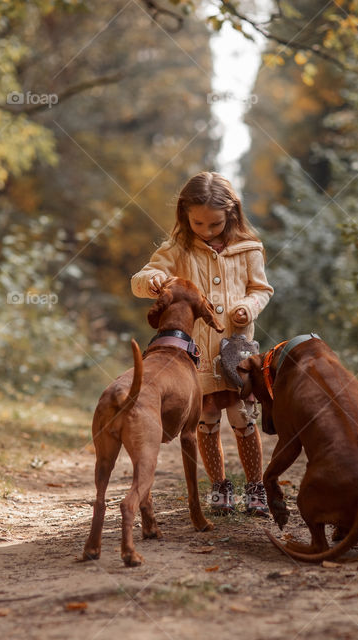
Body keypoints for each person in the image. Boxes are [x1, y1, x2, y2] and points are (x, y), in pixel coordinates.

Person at [131, 171, 274, 515]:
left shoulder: (249, 250)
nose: (207, 231)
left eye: (215, 224)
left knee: (243, 418)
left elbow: (261, 290)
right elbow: (141, 278)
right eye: (198, 223)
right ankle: (220, 487)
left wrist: (247, 307)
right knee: (205, 420)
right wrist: (153, 280)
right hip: (194, 358)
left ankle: (256, 487)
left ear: (232, 215)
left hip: (236, 352)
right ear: (184, 215)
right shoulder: (177, 249)